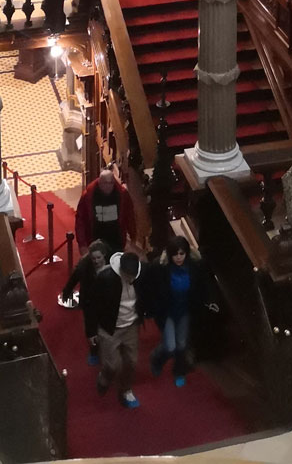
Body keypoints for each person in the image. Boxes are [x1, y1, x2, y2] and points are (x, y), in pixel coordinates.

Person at [143, 235, 215, 387]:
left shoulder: (195, 266)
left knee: (181, 345)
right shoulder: (160, 267)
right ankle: (156, 359)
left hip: (184, 311)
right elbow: (150, 289)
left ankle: (179, 371)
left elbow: (203, 286)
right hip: (167, 311)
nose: (178, 257)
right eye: (175, 254)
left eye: (182, 254)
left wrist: (207, 301)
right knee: (170, 346)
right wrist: (152, 308)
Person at [94, 251, 145, 409]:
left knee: (131, 361)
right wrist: (92, 331)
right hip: (110, 328)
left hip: (131, 325)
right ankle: (104, 377)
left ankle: (125, 390)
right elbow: (93, 305)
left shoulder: (138, 278)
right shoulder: (106, 278)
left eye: (133, 276)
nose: (130, 279)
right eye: (128, 276)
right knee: (113, 365)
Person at [59, 239, 108, 365]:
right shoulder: (84, 266)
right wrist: (66, 291)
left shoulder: (111, 264)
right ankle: (94, 351)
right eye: (93, 258)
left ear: (104, 256)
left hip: (105, 298)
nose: (96, 261)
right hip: (89, 299)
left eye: (99, 258)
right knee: (91, 326)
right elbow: (74, 278)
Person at [74, 165, 135, 257]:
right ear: (99, 182)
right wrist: (82, 244)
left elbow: (130, 215)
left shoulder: (122, 195)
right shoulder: (88, 196)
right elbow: (80, 220)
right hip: (95, 238)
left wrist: (132, 237)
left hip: (116, 239)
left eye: (110, 183)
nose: (108, 186)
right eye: (105, 183)